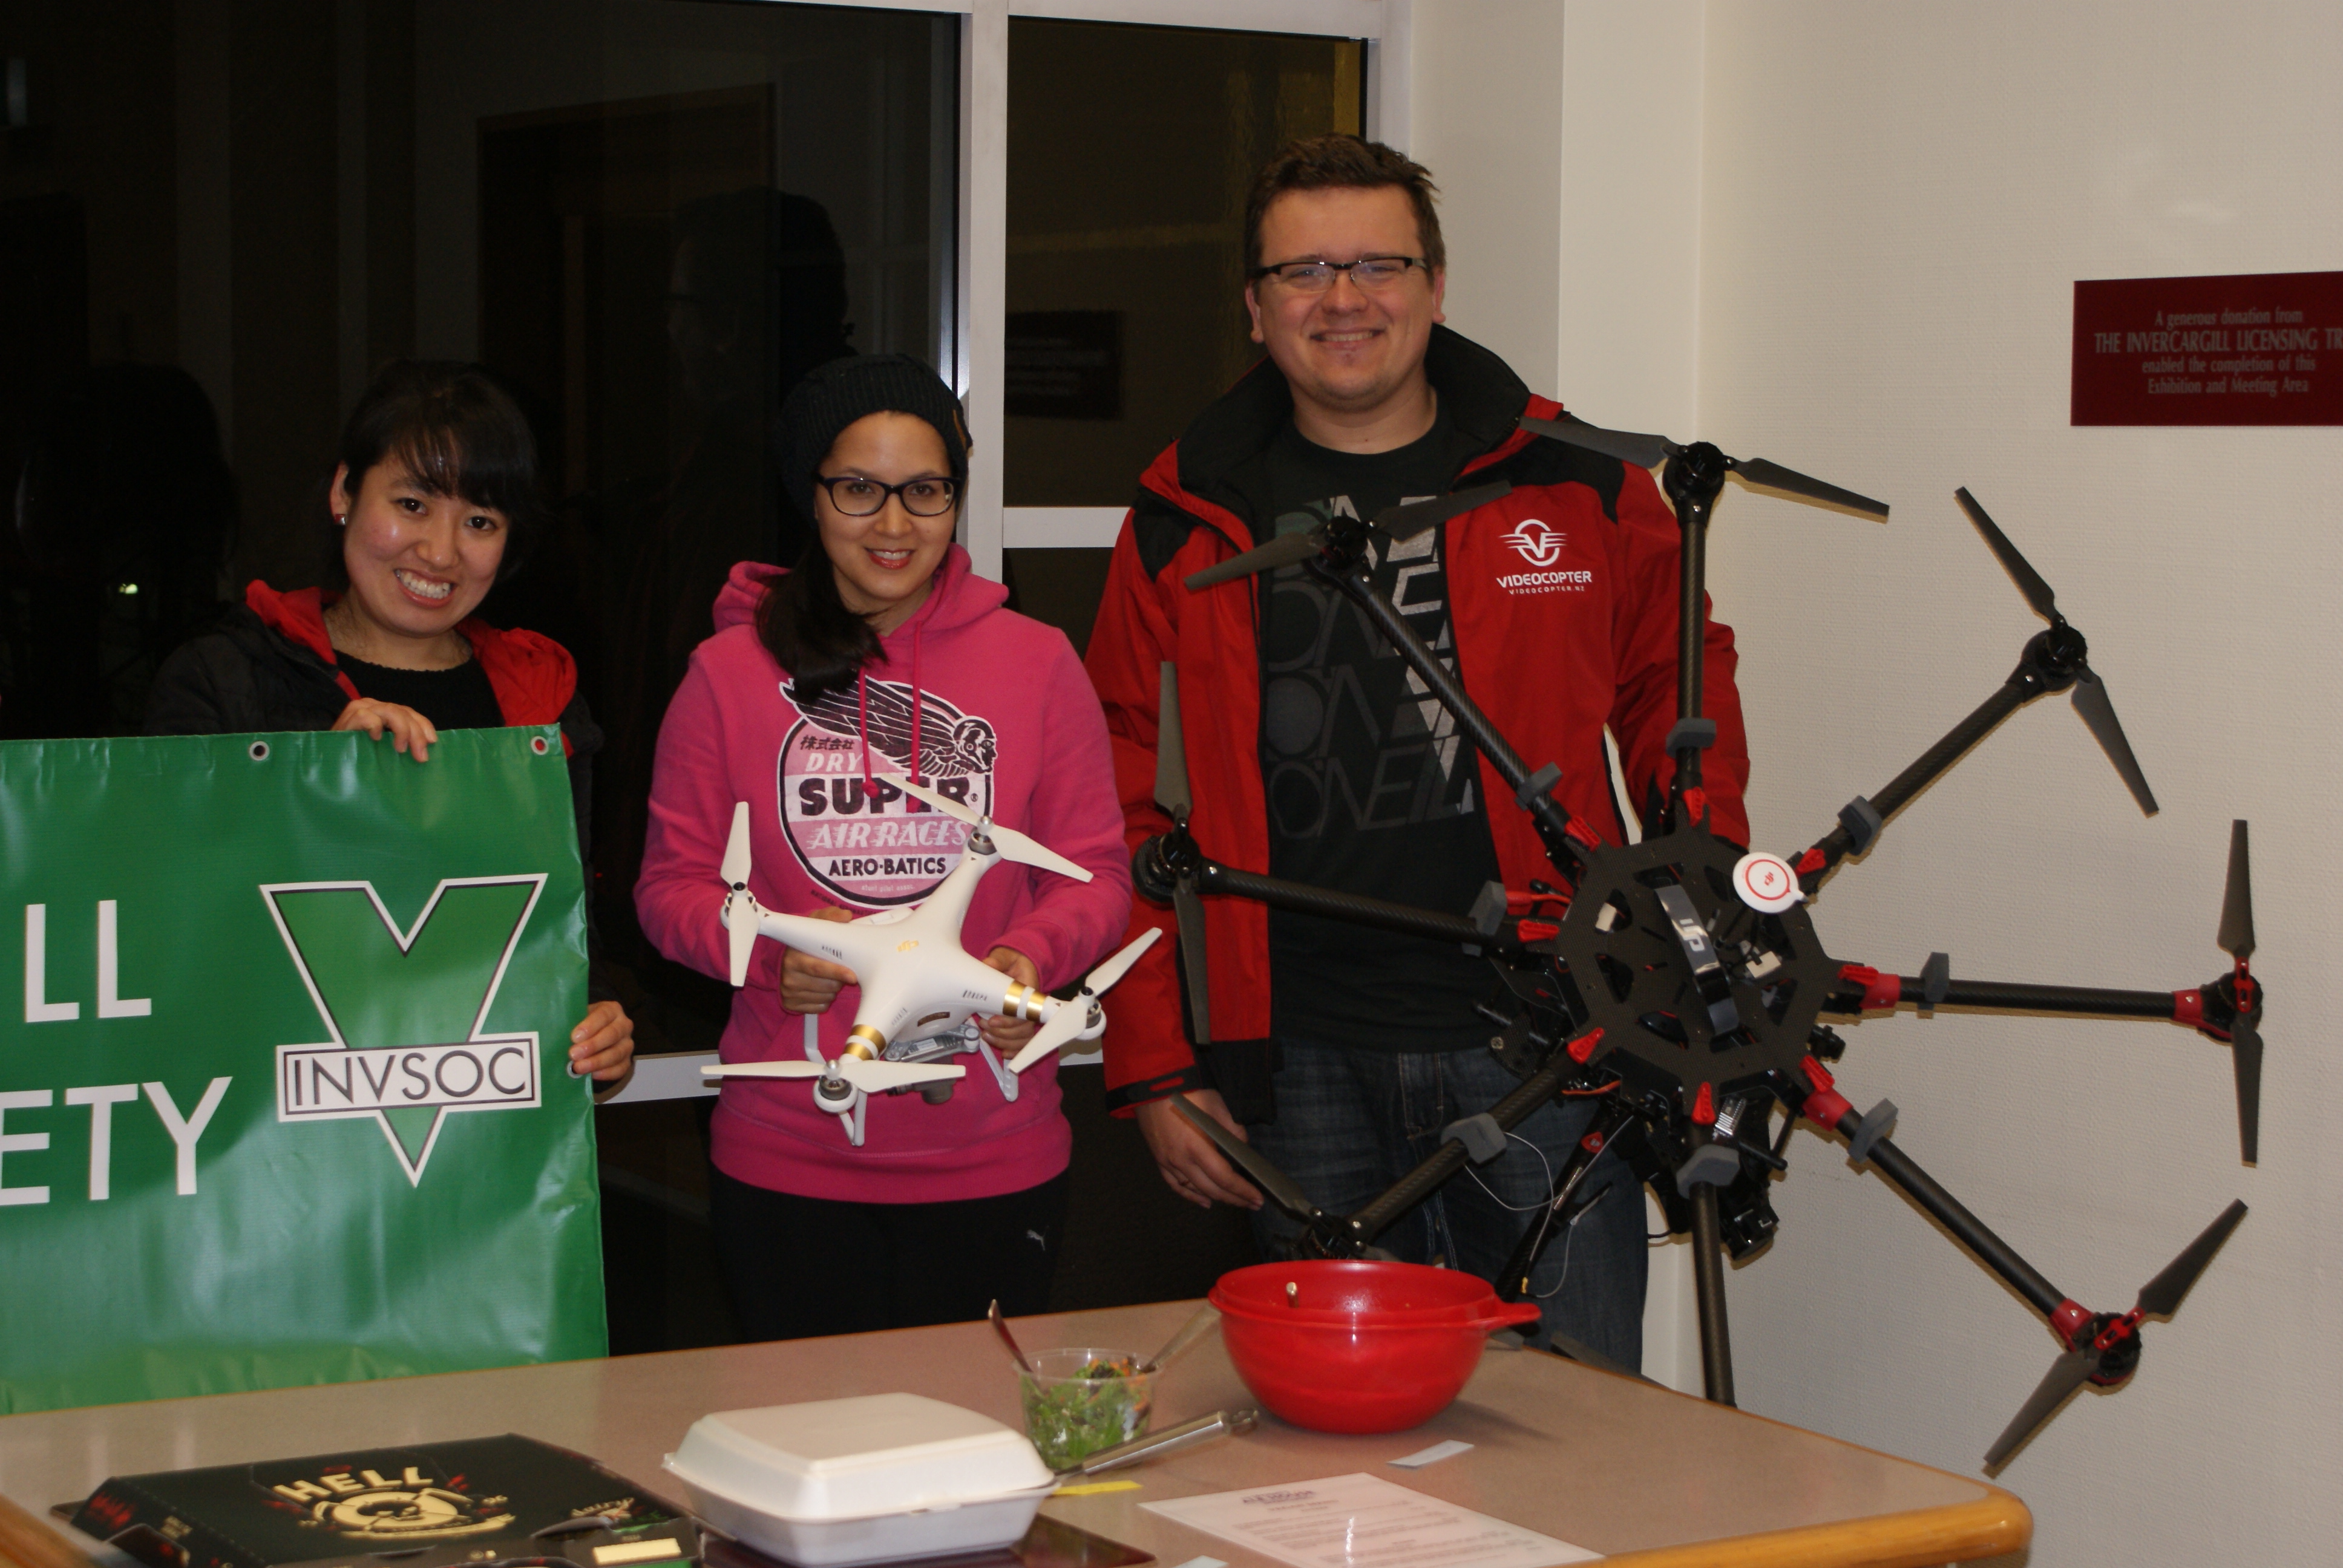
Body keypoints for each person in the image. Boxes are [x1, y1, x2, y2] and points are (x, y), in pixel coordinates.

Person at [1083, 135, 1754, 1368]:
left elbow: (1678, 684)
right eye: (1302, 271)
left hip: (1547, 1044)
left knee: (1574, 1421)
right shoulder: (1185, 516)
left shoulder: (1575, 480)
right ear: (1254, 307)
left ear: (1436, 288)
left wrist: (1691, 896)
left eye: (1377, 265)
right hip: (1292, 1062)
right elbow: (1113, 789)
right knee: (1335, 1437)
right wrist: (1155, 1063)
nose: (1342, 299)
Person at [633, 354, 1131, 1340]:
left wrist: (1028, 960)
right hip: (788, 1159)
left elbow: (1097, 874)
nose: (894, 524)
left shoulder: (1037, 662)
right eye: (859, 489)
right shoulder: (729, 674)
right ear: (810, 495)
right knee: (810, 1430)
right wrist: (770, 951)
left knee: (975, 1428)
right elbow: (668, 888)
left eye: (925, 491)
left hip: (993, 1155)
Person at [145, 359, 635, 1088]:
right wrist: (312, 789)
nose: (440, 552)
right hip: (269, 1110)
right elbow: (158, 926)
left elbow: (562, 941)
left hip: (472, 1117)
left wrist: (597, 1031)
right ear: (344, 492)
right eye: (412, 504)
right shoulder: (224, 682)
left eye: (479, 521)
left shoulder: (540, 701)